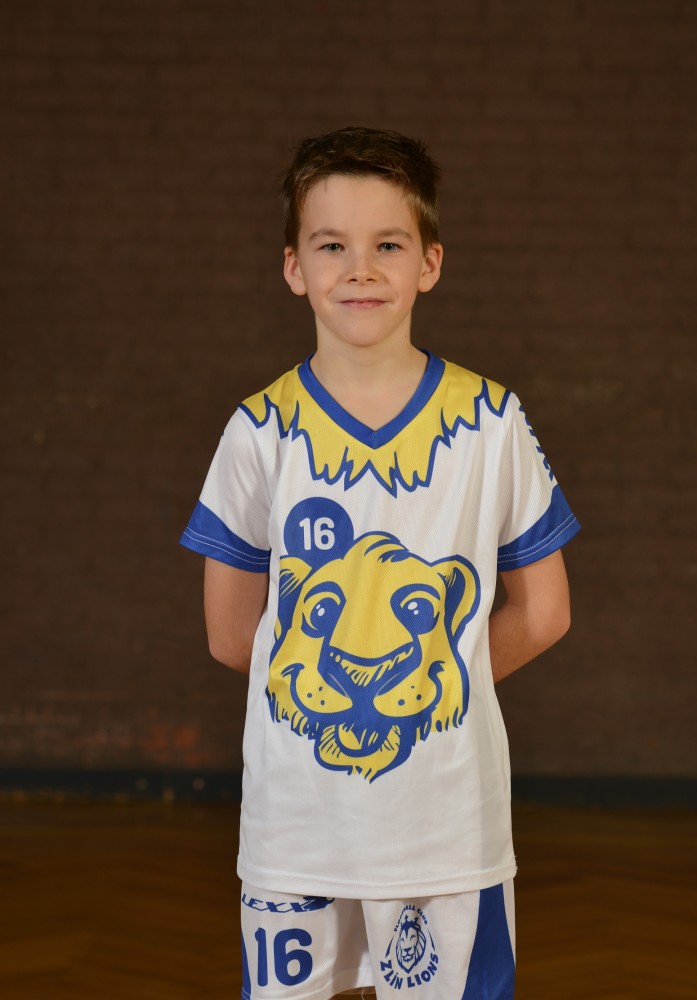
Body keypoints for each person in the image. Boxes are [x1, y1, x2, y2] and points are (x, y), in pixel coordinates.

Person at [180, 126, 580, 1000]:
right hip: (296, 825)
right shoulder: (258, 430)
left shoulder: (491, 420)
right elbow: (230, 635)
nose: (360, 269)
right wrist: (343, 693)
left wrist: (431, 684)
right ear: (294, 267)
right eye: (333, 246)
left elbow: (546, 611)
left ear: (430, 262)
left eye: (388, 245)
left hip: (447, 825)